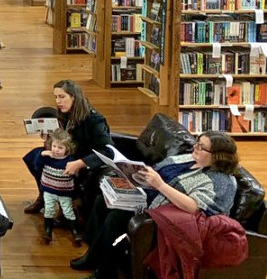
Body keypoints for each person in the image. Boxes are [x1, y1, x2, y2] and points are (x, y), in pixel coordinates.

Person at [72, 131, 240, 279]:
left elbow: (193, 207)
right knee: (103, 201)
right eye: (197, 142)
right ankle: (93, 256)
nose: (195, 147)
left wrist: (160, 185)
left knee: (117, 217)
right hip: (148, 195)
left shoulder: (221, 181)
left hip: (165, 217)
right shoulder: (189, 158)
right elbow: (159, 169)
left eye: (201, 147)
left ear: (218, 156)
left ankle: (105, 273)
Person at [23, 80, 114, 215]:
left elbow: (108, 151)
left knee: (51, 163)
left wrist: (80, 163)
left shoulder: (94, 120)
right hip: (67, 152)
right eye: (56, 97)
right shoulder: (64, 114)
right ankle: (44, 194)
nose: (58, 102)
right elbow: (65, 138)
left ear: (74, 97)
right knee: (34, 157)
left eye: (62, 97)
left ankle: (67, 202)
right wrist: (50, 139)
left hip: (81, 158)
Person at [35, 129, 81, 244]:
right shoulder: (47, 157)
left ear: (67, 149)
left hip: (65, 192)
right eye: (54, 146)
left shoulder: (71, 161)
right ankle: (48, 231)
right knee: (49, 210)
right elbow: (37, 165)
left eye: (60, 148)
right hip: (48, 190)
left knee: (68, 211)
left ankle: (75, 232)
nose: (56, 150)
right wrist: (42, 154)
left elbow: (76, 174)